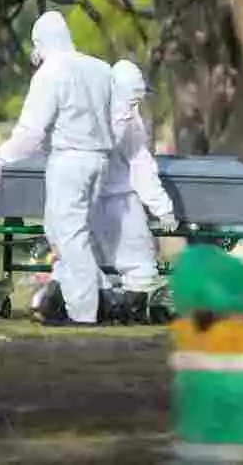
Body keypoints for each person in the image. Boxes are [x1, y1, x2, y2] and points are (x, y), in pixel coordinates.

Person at [0, 11, 114, 326]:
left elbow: (31, 130)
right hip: (100, 159)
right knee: (62, 232)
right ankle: (95, 296)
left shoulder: (51, 72)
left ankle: (84, 313)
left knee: (70, 237)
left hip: (69, 161)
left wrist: (2, 158)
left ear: (41, 41)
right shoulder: (100, 68)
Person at [93, 60, 177, 323]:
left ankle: (131, 307)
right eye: (131, 100)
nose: (132, 108)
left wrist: (162, 208)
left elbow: (141, 164)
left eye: (136, 102)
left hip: (120, 199)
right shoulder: (90, 113)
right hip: (92, 201)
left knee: (138, 259)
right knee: (87, 258)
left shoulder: (131, 121)